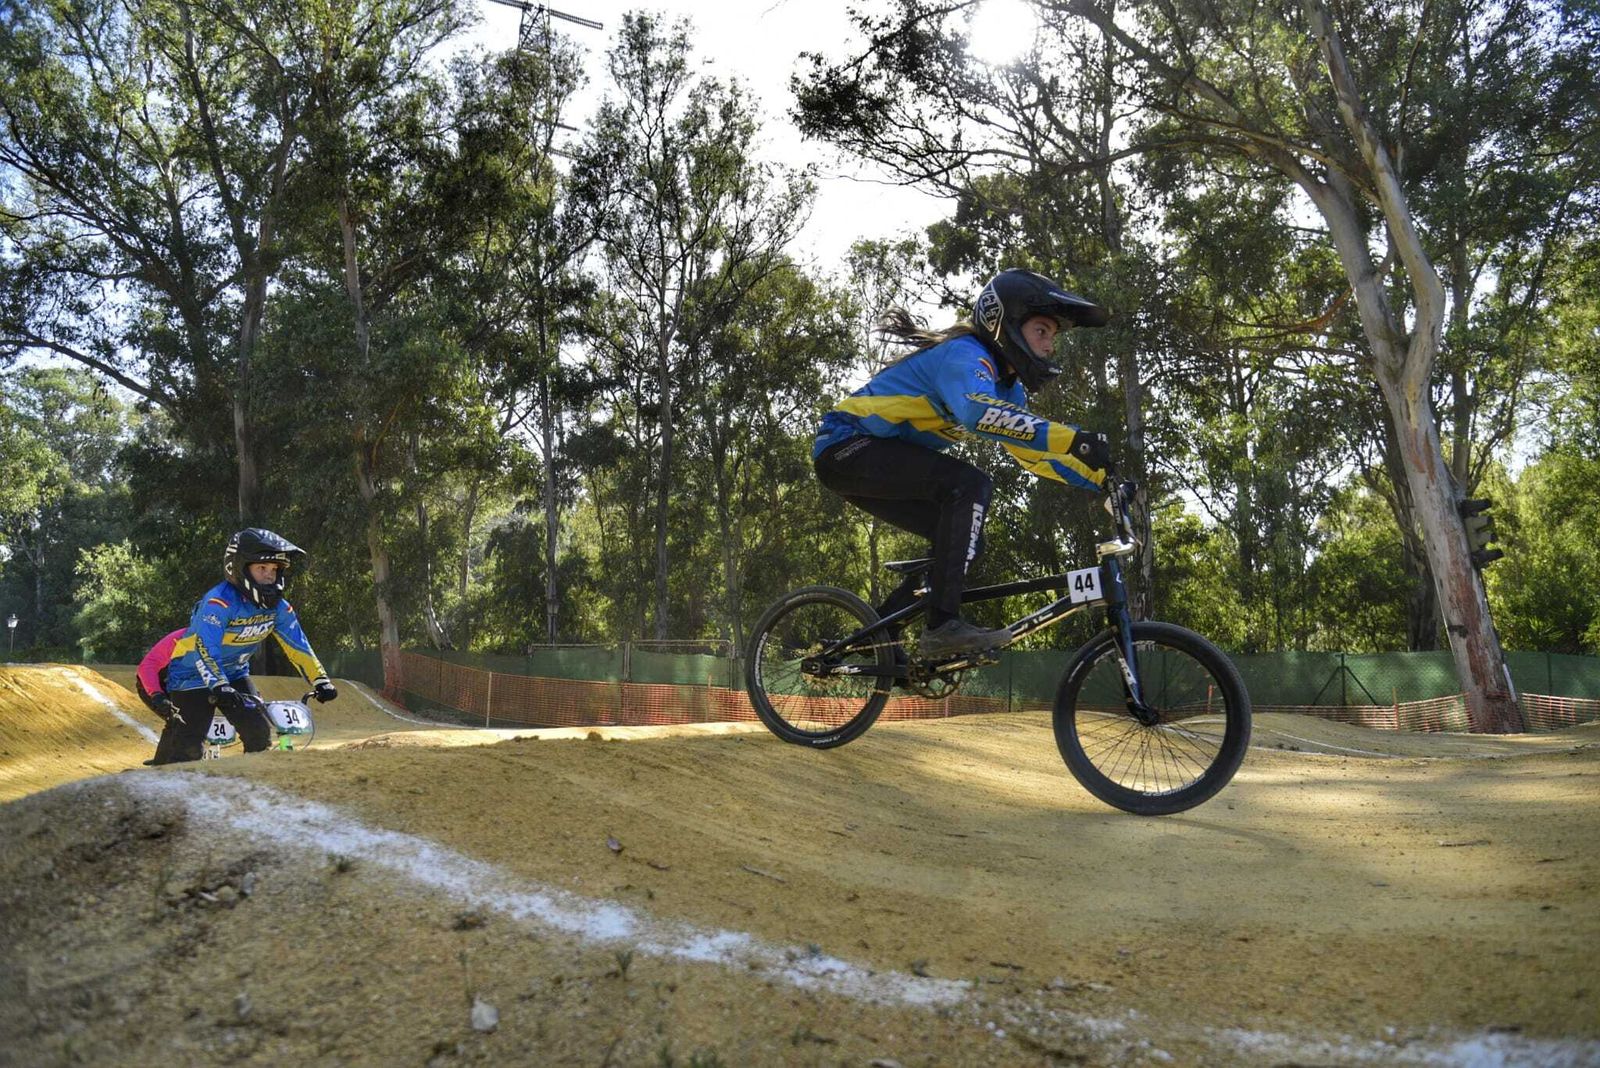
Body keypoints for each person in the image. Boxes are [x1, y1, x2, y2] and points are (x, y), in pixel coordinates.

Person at [813, 268, 1113, 660]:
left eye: (1053, 336)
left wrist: (1102, 479)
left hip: (864, 457)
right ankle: (941, 627)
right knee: (969, 485)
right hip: (845, 445)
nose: (1050, 346)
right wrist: (1074, 438)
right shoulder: (966, 354)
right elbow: (976, 413)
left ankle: (880, 633)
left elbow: (1033, 454)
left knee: (963, 540)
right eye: (1043, 331)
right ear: (1005, 324)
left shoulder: (1007, 388)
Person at [147, 528, 338, 765]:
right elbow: (205, 647)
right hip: (192, 676)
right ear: (239, 568)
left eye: (275, 569)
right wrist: (218, 685)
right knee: (187, 749)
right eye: (262, 568)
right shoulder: (219, 601)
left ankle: (251, 791)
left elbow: (297, 644)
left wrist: (320, 680)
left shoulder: (278, 608)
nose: (270, 575)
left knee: (258, 734)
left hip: (235, 673)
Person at [134, 627, 185, 722]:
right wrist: (156, 693)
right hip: (157, 685)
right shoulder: (180, 638)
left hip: (184, 685)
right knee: (178, 722)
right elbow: (147, 666)